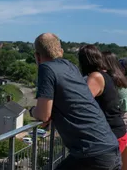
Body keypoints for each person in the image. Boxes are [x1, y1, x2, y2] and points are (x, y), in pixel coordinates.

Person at [30, 33, 121, 170]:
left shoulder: (46, 68)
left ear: (37, 56)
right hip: (110, 148)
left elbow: (43, 115)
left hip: (92, 154)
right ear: (61, 52)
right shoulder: (71, 67)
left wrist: (32, 111)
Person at [78, 46, 127, 154]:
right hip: (117, 131)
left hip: (111, 135)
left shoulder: (96, 77)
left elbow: (80, 103)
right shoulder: (108, 76)